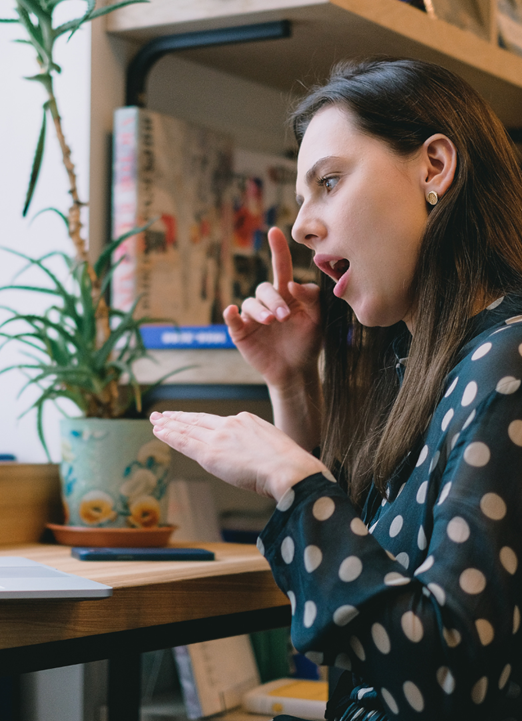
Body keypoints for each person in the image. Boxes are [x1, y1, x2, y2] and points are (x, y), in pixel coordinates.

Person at [150, 57, 522, 720]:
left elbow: (450, 681)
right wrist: (292, 385)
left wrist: (291, 479)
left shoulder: (508, 360)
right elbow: (359, 602)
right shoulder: (424, 364)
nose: (300, 226)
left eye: (328, 181)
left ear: (434, 167)